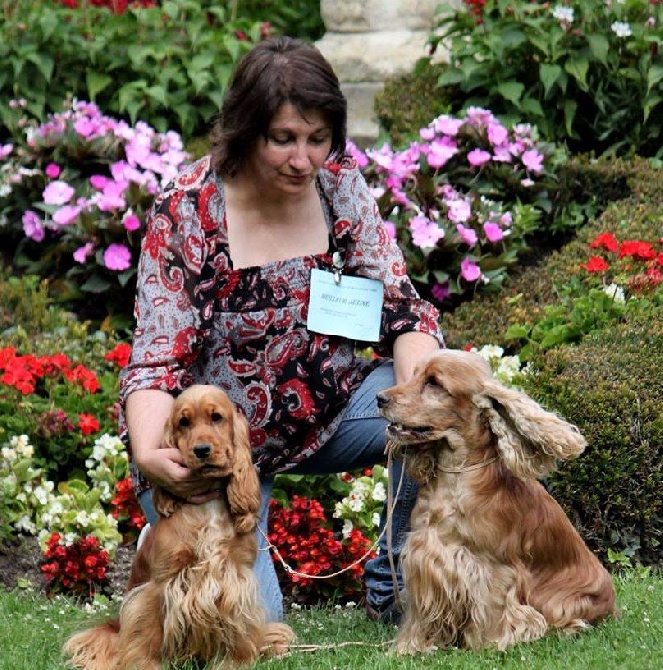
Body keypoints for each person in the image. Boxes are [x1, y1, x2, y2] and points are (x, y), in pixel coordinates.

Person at [118, 35, 444, 625]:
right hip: (218, 444)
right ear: (246, 131)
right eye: (284, 139)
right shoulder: (187, 209)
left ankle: (395, 586)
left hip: (335, 410)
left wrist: (424, 399)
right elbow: (155, 364)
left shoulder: (340, 183)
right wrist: (149, 452)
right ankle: (158, 554)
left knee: (446, 405)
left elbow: (404, 310)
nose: (304, 160)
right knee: (252, 625)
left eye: (318, 139)